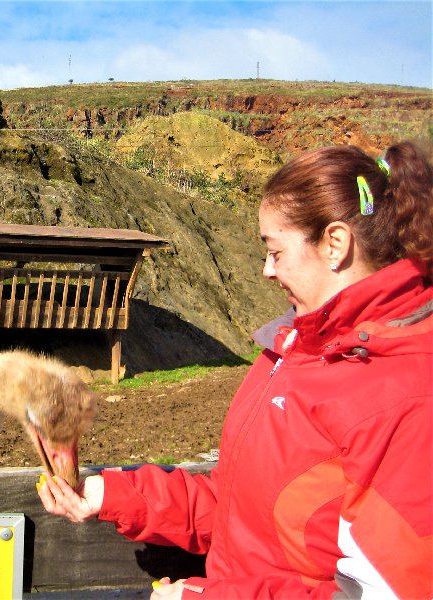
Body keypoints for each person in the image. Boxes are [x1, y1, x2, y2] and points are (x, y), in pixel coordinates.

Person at [37, 141, 433, 599]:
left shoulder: (407, 396)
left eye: (275, 250)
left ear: (335, 244)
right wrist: (113, 495)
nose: (266, 270)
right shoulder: (293, 353)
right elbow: (237, 508)